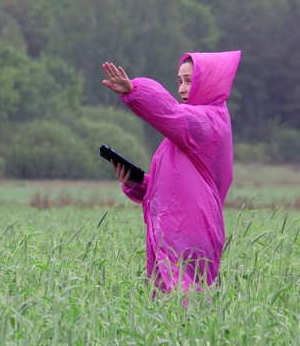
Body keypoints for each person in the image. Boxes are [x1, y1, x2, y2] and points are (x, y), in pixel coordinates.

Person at [101, 51, 241, 296]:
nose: (182, 89)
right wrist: (136, 183)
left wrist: (134, 90)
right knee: (169, 315)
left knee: (186, 309)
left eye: (190, 80)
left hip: (189, 233)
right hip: (175, 231)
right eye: (179, 81)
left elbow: (169, 113)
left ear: (207, 82)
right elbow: (174, 185)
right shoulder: (190, 128)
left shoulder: (207, 123)